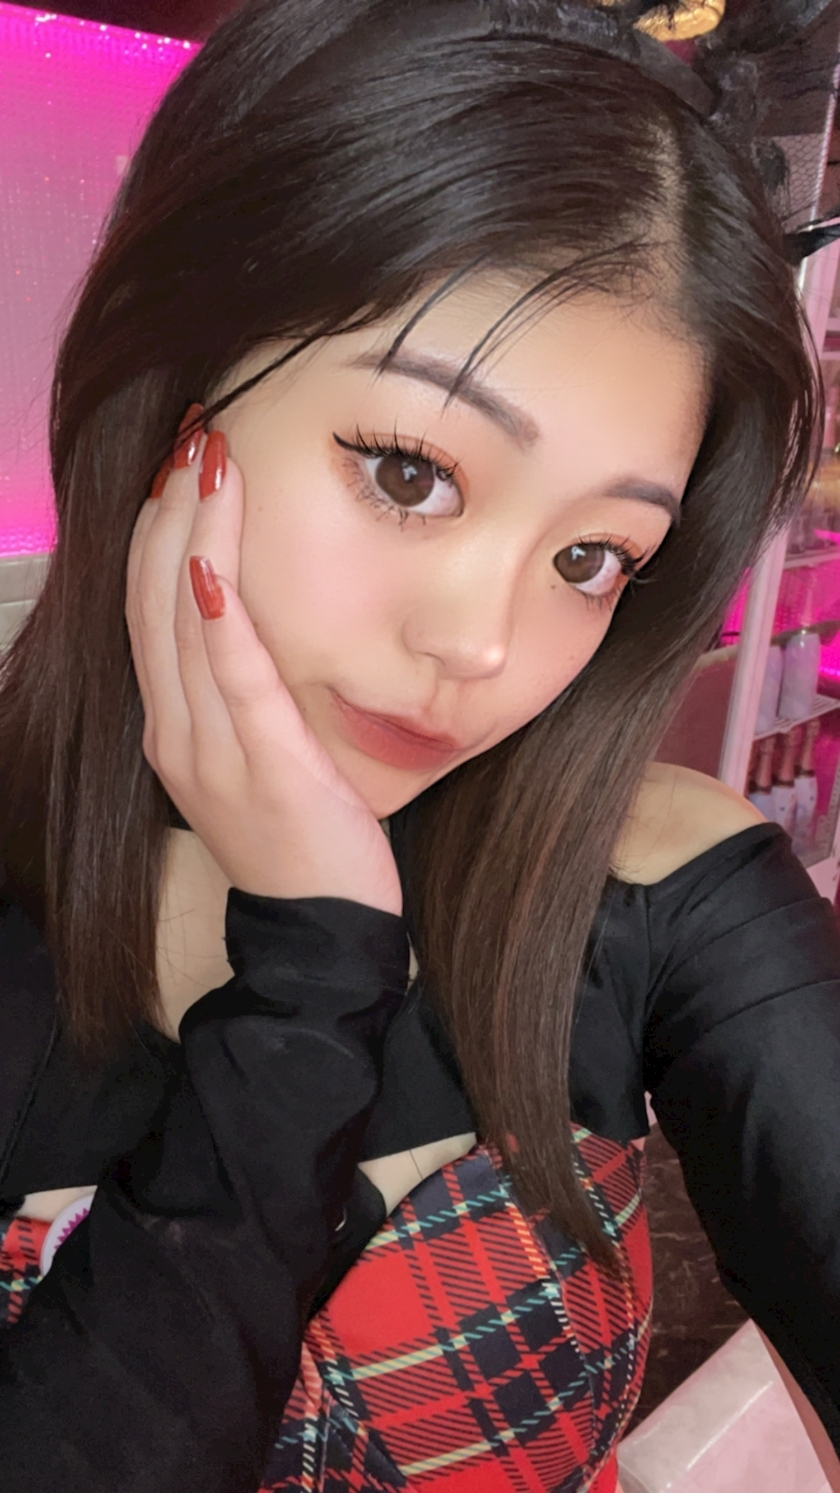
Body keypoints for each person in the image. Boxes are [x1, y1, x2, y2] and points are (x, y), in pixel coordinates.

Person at [1, 0, 839, 1488]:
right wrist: (309, 971)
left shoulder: (660, 889)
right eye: (409, 472)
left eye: (591, 558)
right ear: (174, 391)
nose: (484, 646)